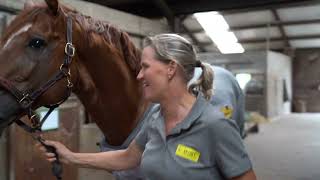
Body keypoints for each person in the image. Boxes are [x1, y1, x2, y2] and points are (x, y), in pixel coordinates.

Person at [38, 34, 256, 180]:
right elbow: (128, 158)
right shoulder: (156, 119)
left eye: (145, 67)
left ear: (171, 69)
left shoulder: (215, 126)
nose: (139, 75)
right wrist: (69, 156)